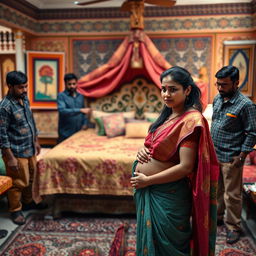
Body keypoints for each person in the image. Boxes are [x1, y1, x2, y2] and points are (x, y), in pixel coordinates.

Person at [130, 66, 219, 256]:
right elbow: (152, 144)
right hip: (151, 190)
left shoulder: (191, 120)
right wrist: (142, 150)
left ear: (187, 90)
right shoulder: (167, 115)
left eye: (173, 89)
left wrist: (148, 180)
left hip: (169, 195)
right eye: (163, 89)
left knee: (170, 246)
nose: (166, 94)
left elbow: (185, 167)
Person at [211, 65, 256, 244]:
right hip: (214, 155)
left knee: (232, 195)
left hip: (232, 157)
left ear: (236, 83)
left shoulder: (246, 105)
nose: (220, 88)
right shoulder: (217, 98)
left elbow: (252, 132)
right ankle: (218, 218)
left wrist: (242, 156)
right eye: (218, 84)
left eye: (224, 84)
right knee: (217, 191)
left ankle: (233, 227)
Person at [0, 71, 47, 225]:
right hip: (16, 152)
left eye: (26, 86)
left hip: (29, 148)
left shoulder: (24, 98)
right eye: (21, 87)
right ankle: (15, 210)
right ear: (10, 86)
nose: (25, 90)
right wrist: (10, 157)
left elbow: (31, 120)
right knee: (18, 182)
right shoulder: (4, 107)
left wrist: (36, 140)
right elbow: (2, 134)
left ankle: (28, 202)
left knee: (31, 178)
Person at [57, 73, 91, 143]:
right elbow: (62, 110)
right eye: (69, 84)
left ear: (76, 83)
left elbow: (84, 112)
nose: (72, 86)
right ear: (65, 84)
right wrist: (80, 110)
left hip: (79, 132)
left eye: (74, 84)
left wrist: (85, 123)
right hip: (65, 132)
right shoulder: (61, 96)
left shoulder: (80, 96)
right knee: (64, 152)